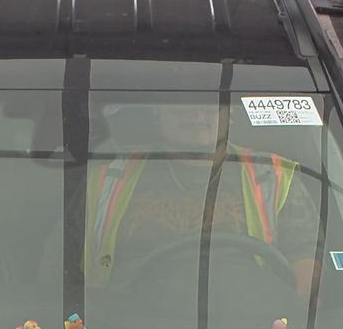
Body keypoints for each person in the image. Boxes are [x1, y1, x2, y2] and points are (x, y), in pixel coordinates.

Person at [84, 101, 322, 297]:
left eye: (211, 106)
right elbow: (61, 261)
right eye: (181, 106)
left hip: (250, 328)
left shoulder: (272, 174)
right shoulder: (108, 176)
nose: (197, 115)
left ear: (231, 113)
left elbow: (305, 256)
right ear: (158, 110)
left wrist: (300, 324)